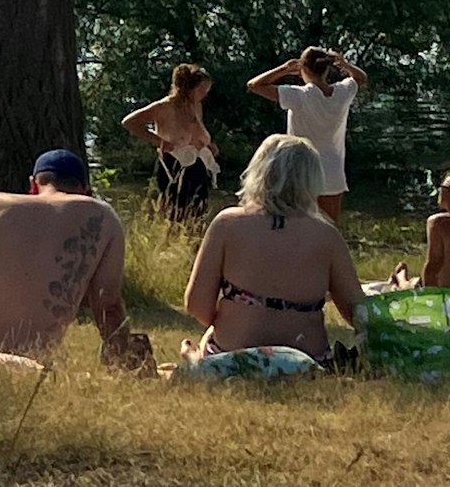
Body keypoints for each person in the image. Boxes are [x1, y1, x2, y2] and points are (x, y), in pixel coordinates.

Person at [0, 150, 148, 366]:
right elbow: (108, 303)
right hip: (31, 352)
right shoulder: (105, 216)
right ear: (85, 190)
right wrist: (122, 356)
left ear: (32, 185)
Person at [181, 134, 364, 364]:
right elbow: (357, 312)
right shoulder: (327, 234)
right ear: (313, 181)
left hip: (234, 356)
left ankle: (197, 360)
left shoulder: (228, 224)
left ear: (258, 173)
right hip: (306, 360)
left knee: (207, 337)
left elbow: (197, 305)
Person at [247, 47, 367, 219]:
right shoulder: (342, 93)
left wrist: (285, 68)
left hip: (301, 169)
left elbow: (254, 85)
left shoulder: (299, 95)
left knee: (298, 227)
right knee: (329, 229)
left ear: (303, 68)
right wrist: (344, 64)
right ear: (327, 69)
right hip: (333, 170)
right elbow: (361, 78)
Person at [122, 63, 220, 219]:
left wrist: (209, 145)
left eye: (206, 91)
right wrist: (159, 140)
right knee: (174, 214)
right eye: (201, 90)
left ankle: (195, 242)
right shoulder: (164, 106)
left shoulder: (196, 106)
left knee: (198, 214)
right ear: (189, 88)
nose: (204, 94)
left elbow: (196, 130)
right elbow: (129, 122)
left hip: (198, 165)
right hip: (173, 165)